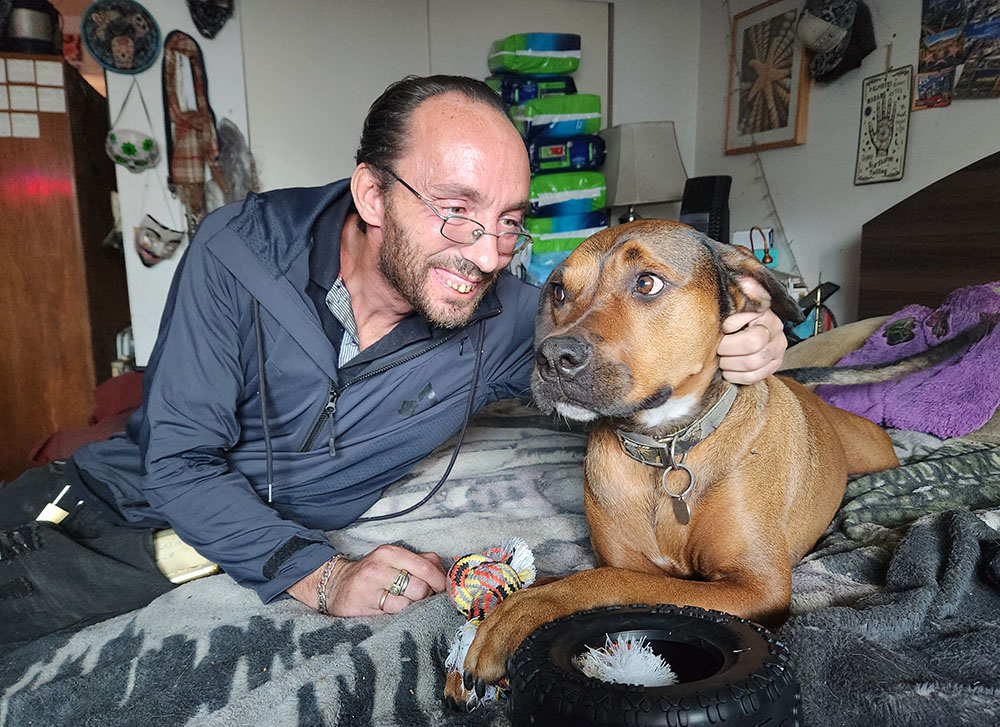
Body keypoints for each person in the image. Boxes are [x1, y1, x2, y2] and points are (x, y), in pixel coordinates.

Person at [0, 75, 787, 643]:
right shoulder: (237, 251)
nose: (485, 253)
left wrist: (755, 338)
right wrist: (326, 573)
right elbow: (179, 462)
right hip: (92, 510)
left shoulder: (514, 312)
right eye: (456, 210)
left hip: (204, 557)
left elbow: (618, 353)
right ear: (373, 196)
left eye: (509, 221)